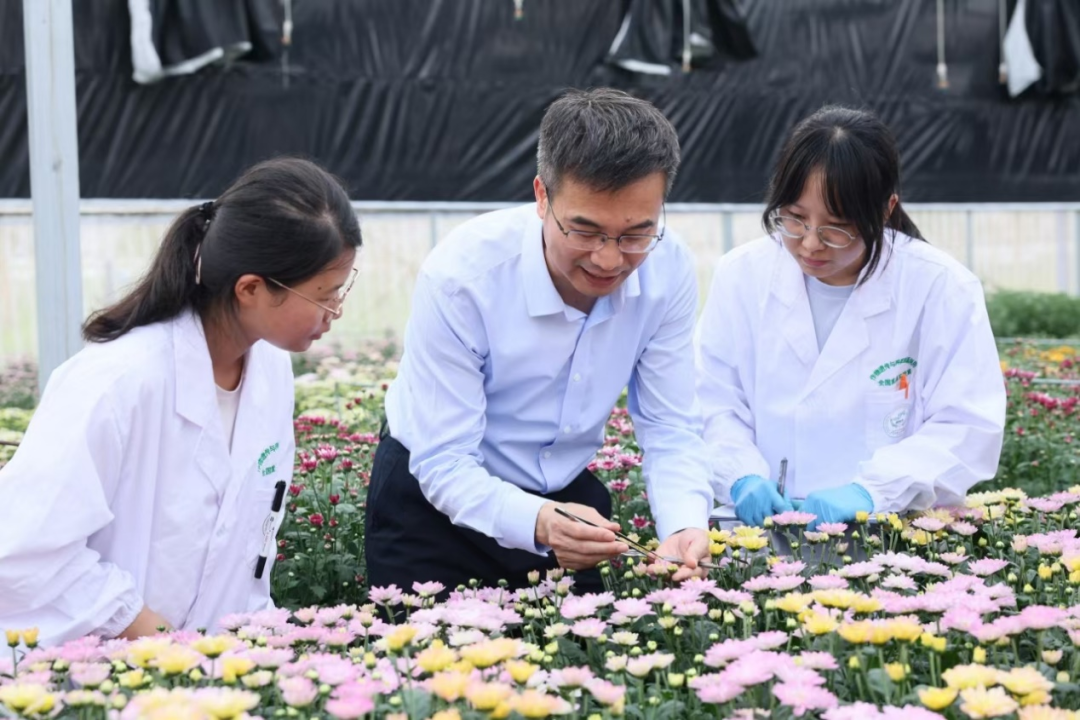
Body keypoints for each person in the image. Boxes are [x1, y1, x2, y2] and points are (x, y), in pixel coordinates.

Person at [0, 157, 362, 647]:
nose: (335, 312)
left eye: (342, 290)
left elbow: (244, 550)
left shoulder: (271, 373)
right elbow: (23, 546)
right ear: (251, 289)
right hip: (91, 667)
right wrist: (160, 641)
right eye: (325, 296)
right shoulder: (118, 381)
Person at [365, 88, 713, 597]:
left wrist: (684, 523)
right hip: (434, 508)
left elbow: (670, 423)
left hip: (568, 504)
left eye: (636, 233)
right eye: (585, 231)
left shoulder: (669, 268)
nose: (609, 259)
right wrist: (540, 522)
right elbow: (444, 462)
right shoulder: (464, 277)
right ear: (542, 197)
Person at [695, 106, 1005, 529]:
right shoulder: (742, 275)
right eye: (795, 218)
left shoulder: (940, 287)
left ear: (885, 209)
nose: (810, 244)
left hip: (892, 532)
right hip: (758, 530)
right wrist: (740, 475)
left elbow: (966, 426)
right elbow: (713, 400)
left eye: (836, 228)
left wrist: (872, 493)